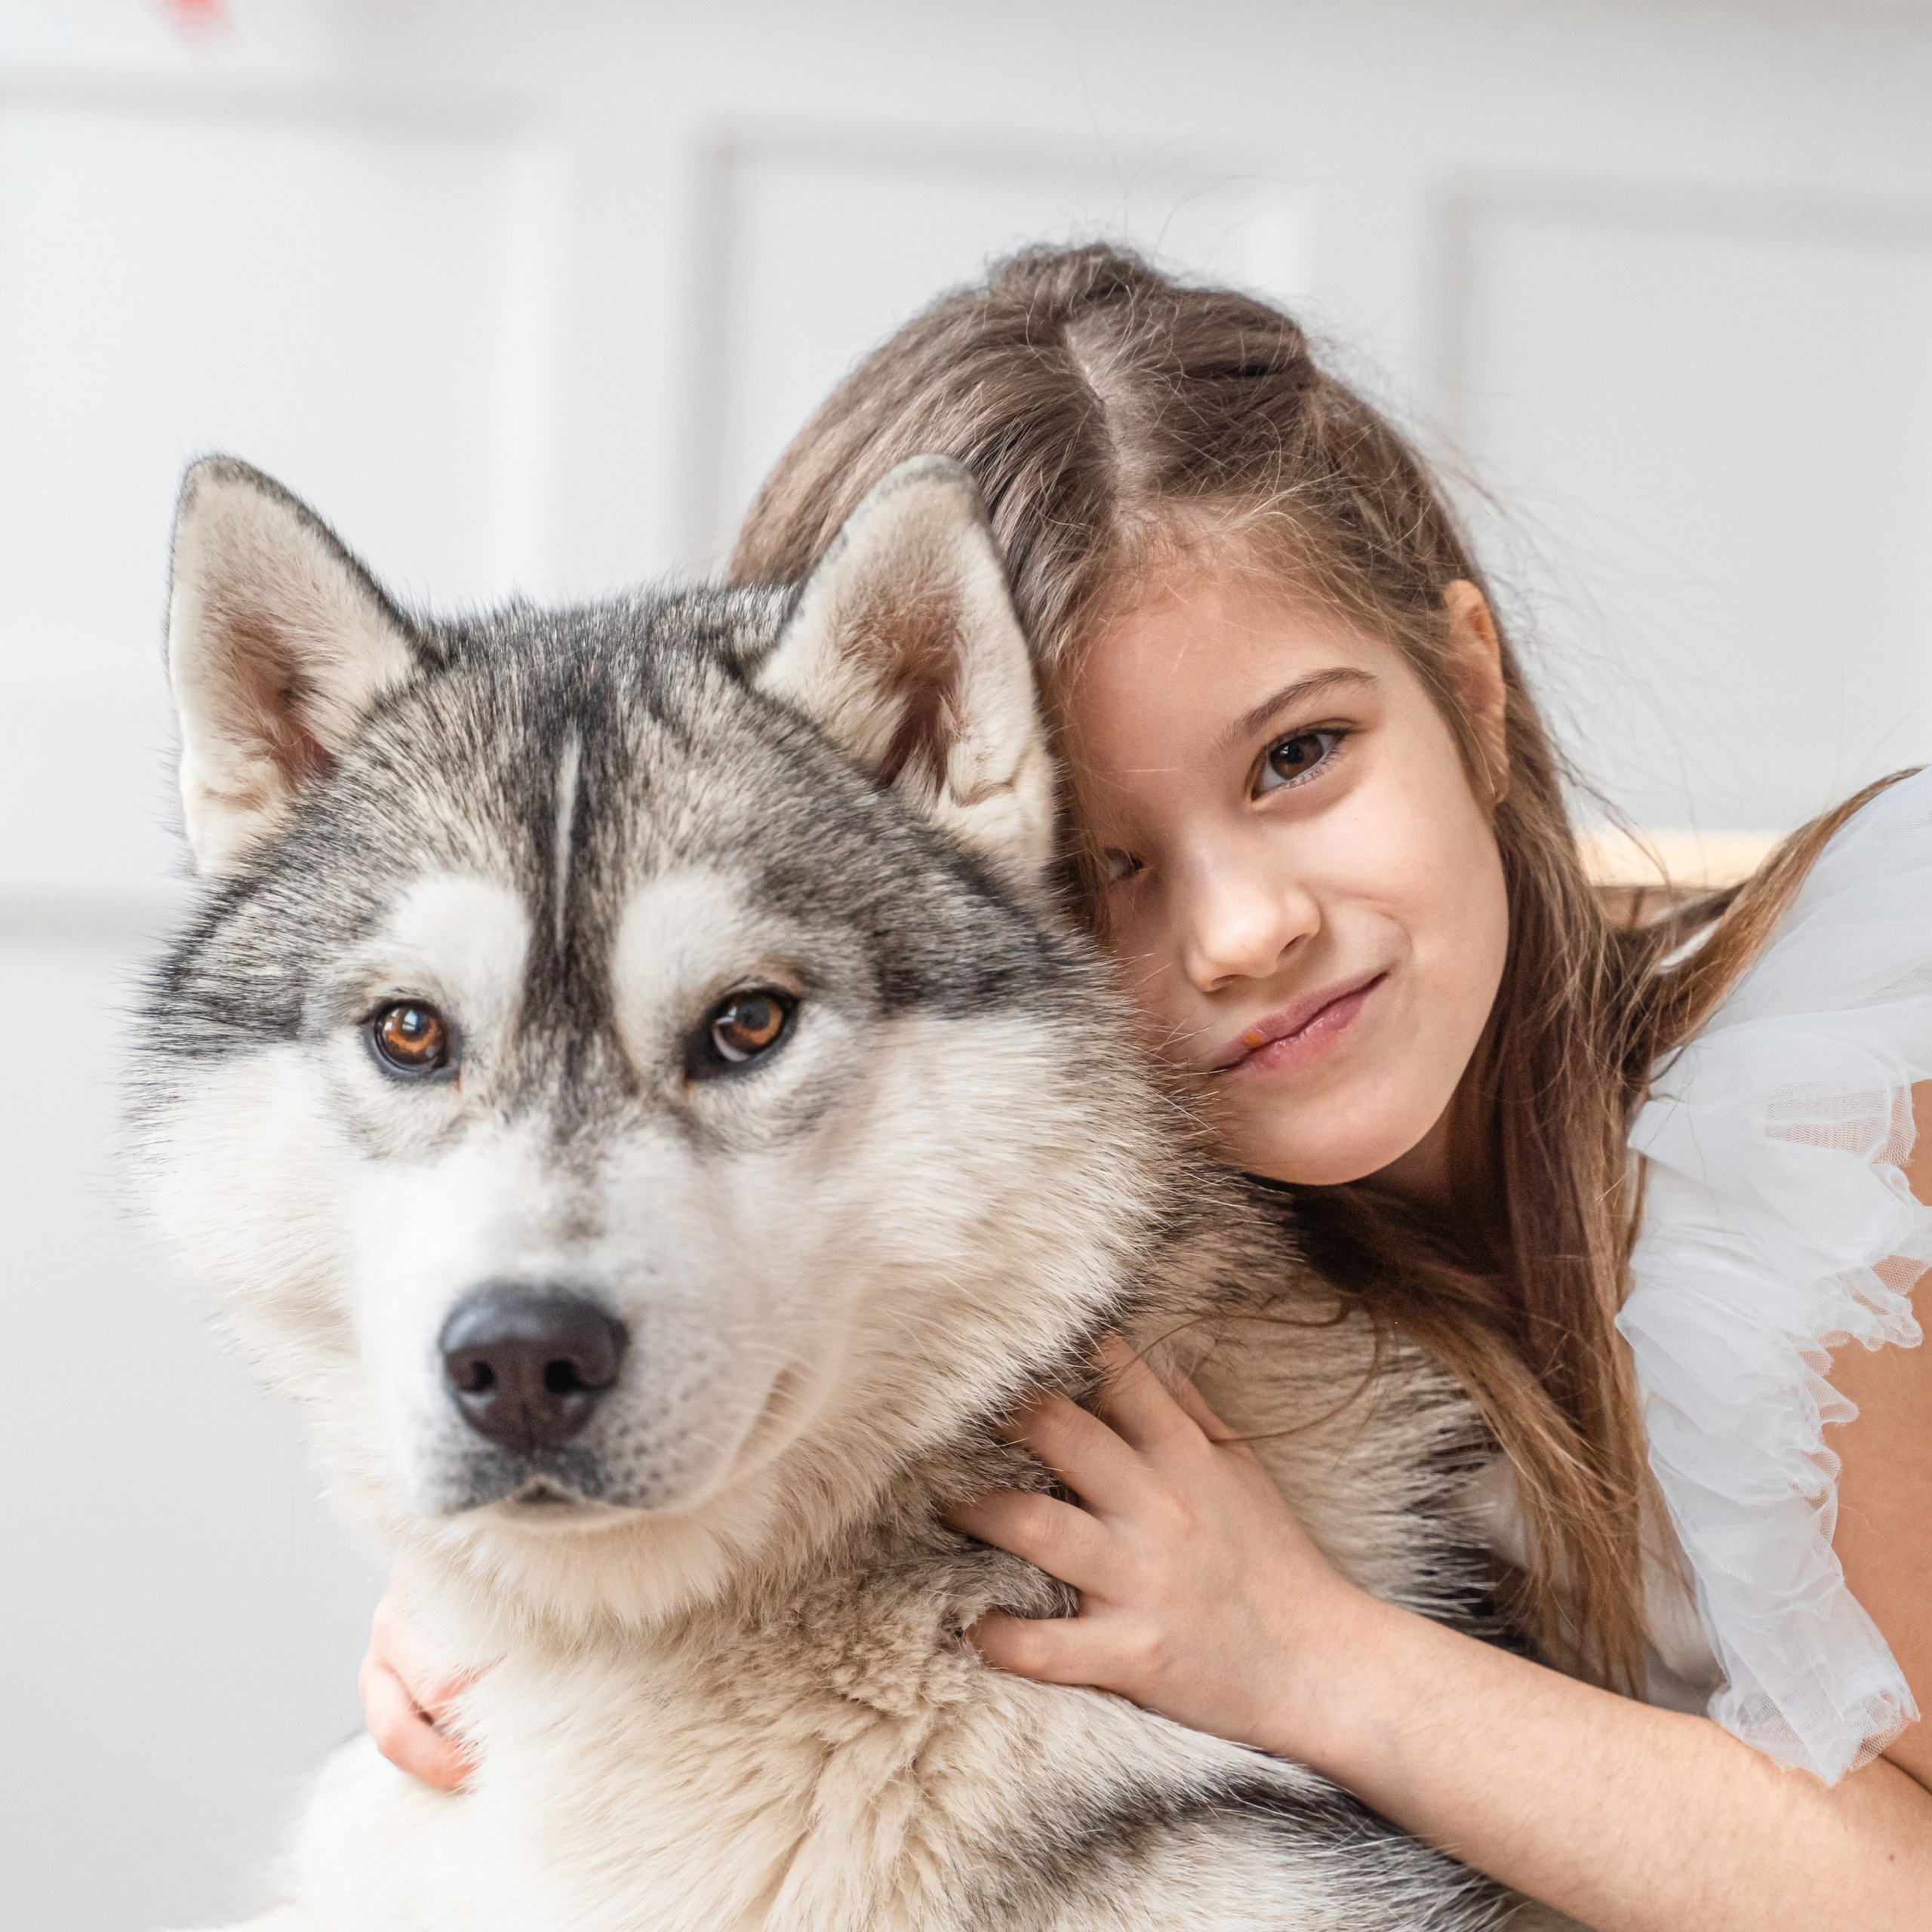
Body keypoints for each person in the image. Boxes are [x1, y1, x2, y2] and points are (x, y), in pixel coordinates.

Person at [357, 245, 1932, 1929]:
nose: (1248, 929)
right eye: (1100, 867)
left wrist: (1314, 1659)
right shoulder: (1175, 1243)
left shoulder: (1819, 1141)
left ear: (1467, 689)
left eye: (1298, 754)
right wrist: (538, 1545)